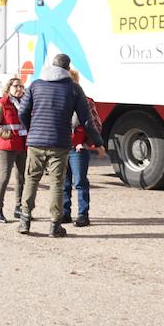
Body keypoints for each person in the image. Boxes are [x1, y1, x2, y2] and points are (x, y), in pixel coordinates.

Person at [18, 53, 104, 237]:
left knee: (32, 179)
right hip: (60, 142)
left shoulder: (35, 85)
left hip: (35, 142)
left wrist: (32, 129)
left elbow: (23, 111)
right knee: (56, 183)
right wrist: (98, 142)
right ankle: (55, 225)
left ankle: (25, 220)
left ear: (51, 66)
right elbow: (86, 120)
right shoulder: (74, 89)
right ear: (67, 68)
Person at [61, 68, 101, 227]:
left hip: (78, 149)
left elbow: (96, 125)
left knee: (80, 182)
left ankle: (83, 215)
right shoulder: (59, 100)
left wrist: (86, 143)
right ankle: (65, 213)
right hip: (62, 147)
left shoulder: (87, 101)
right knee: (63, 183)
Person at [0, 74, 27, 224]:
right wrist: (6, 134)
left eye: (21, 86)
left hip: (23, 145)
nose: (19, 89)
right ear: (9, 88)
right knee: (4, 177)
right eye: (16, 86)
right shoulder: (2, 104)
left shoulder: (25, 103)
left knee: (22, 177)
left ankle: (19, 207)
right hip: (7, 146)